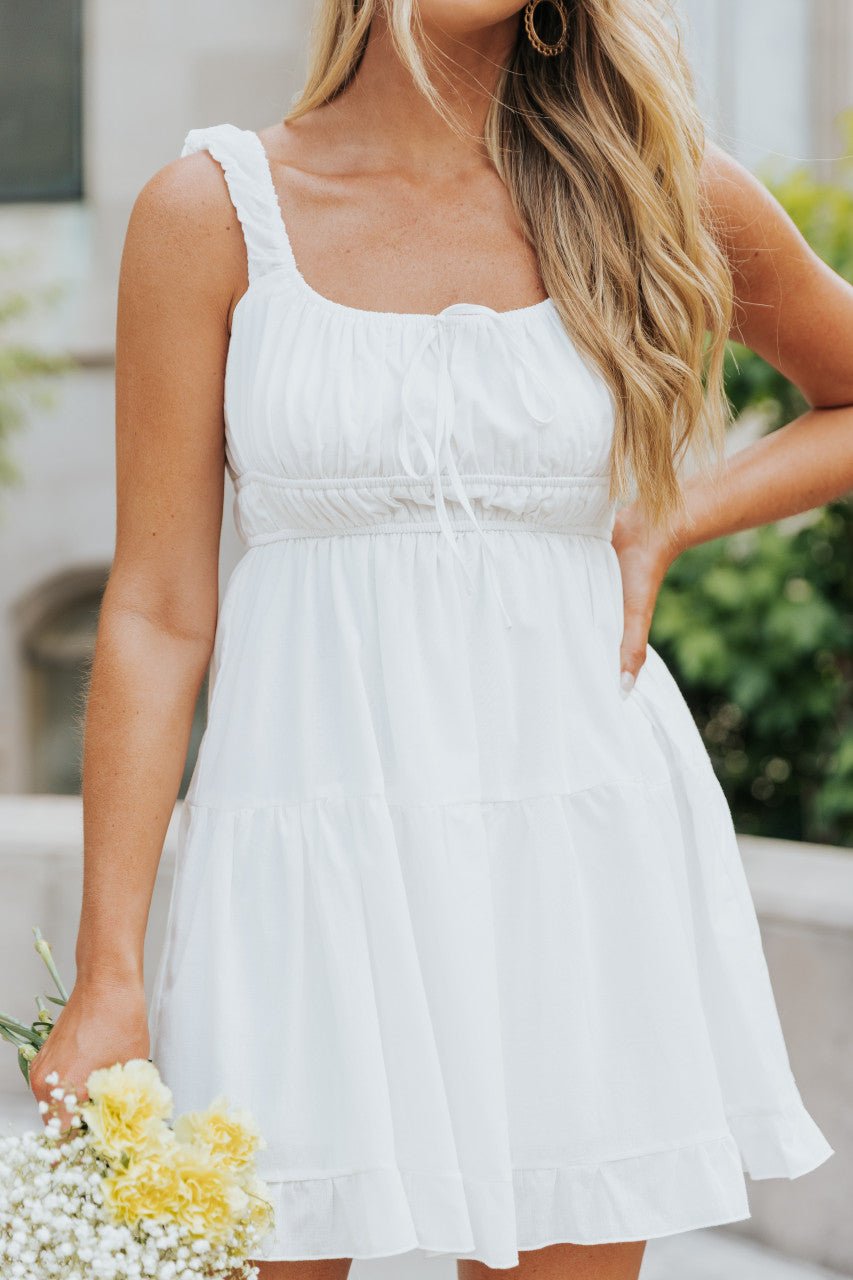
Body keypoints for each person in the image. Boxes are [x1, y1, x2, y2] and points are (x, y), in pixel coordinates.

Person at [30, 1, 849, 1277]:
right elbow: (154, 609)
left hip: (571, 839)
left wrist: (668, 519)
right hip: (294, 856)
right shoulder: (209, 210)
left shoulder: (649, 184)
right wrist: (109, 971)